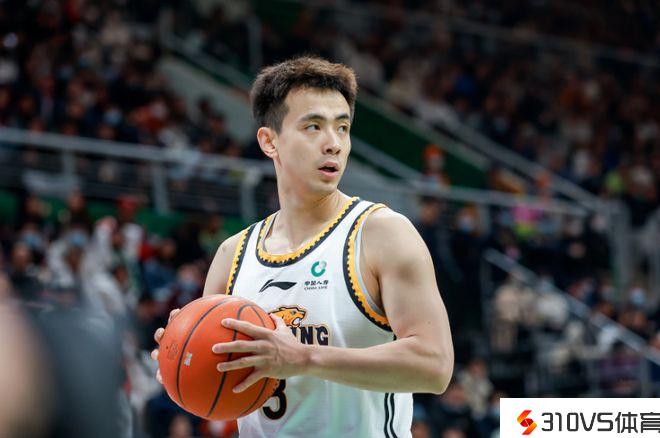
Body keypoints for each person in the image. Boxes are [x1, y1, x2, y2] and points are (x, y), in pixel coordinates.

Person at [152, 56, 454, 437]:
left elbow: (435, 365)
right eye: (313, 126)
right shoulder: (232, 254)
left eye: (342, 128)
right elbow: (212, 387)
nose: (333, 144)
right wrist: (181, 359)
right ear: (269, 141)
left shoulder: (381, 234)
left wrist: (305, 357)